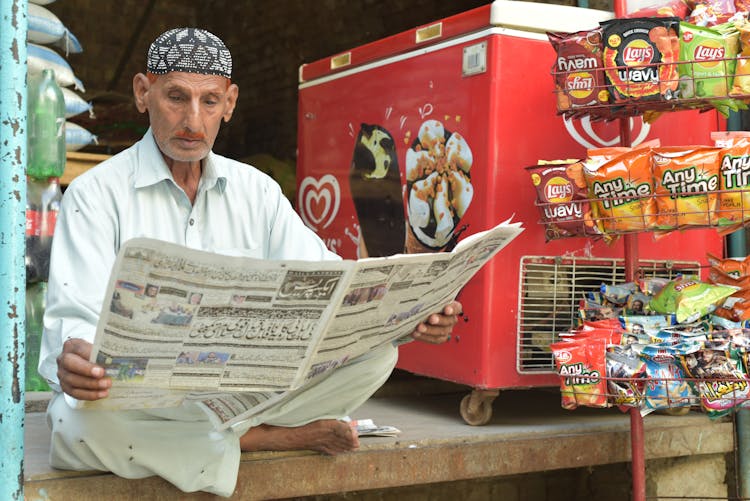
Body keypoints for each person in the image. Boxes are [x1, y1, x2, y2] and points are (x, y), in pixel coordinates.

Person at [38, 28, 463, 497]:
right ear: (144, 93)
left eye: (210, 101)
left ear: (231, 101)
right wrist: (76, 357)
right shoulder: (93, 195)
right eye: (176, 97)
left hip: (239, 395)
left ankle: (217, 437)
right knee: (77, 428)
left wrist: (410, 316)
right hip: (145, 404)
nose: (193, 121)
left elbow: (333, 284)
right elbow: (74, 317)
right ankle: (262, 440)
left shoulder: (256, 192)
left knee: (378, 357)